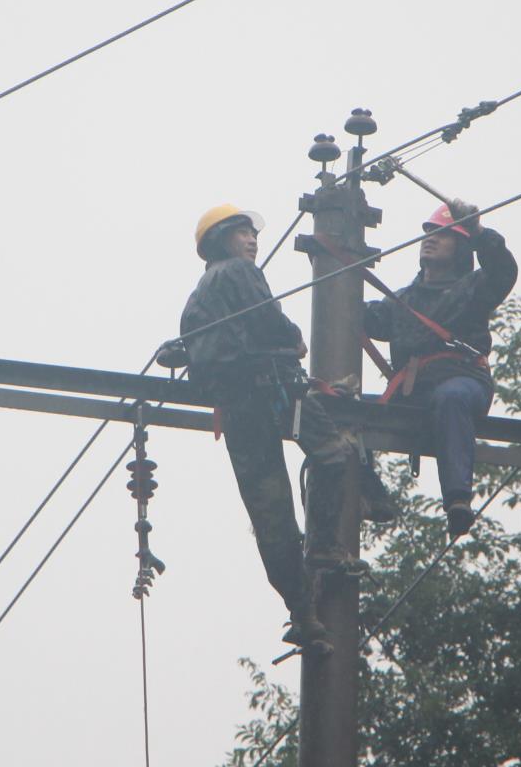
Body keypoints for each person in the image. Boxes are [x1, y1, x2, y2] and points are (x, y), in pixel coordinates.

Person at [167, 204, 389, 649]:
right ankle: (323, 547)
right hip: (273, 391)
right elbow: (266, 315)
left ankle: (302, 612)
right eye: (242, 233)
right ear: (222, 240)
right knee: (333, 454)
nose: (252, 241)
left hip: (239, 409)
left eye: (253, 234)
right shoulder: (237, 272)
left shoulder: (200, 294)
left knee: (272, 515)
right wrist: (294, 338)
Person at [365, 198, 518, 538]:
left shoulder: (474, 289)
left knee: (451, 397)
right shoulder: (403, 301)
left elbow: (502, 271)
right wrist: (333, 269)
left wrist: (479, 232)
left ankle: (457, 499)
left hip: (463, 381)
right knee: (350, 412)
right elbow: (358, 315)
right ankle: (369, 493)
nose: (430, 239)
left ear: (462, 247)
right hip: (416, 393)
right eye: (428, 233)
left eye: (443, 234)